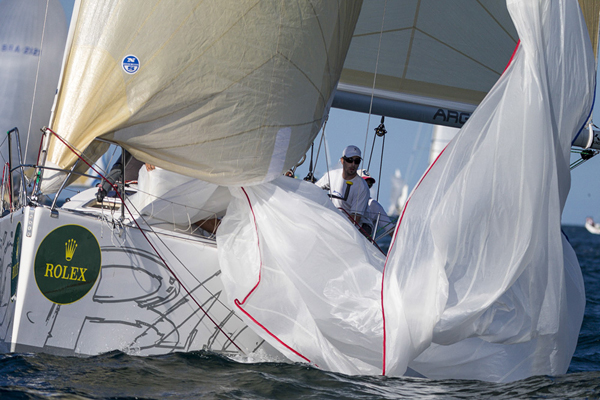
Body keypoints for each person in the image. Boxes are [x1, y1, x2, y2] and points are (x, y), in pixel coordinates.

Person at [315, 145, 370, 226]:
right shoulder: (332, 175)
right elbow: (313, 189)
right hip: (328, 221)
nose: (353, 164)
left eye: (357, 161)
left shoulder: (362, 187)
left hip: (347, 228)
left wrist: (334, 225)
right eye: (349, 160)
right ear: (342, 160)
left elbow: (355, 219)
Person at [357, 169, 394, 237]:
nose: (366, 187)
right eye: (364, 183)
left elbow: (391, 229)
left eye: (369, 185)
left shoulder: (374, 205)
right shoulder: (346, 201)